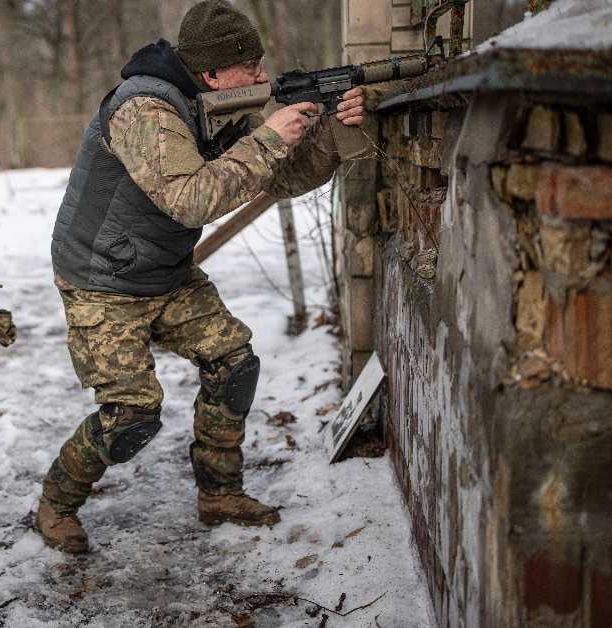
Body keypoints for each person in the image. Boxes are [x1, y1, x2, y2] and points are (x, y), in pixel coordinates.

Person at [38, 0, 368, 554]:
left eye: (261, 62)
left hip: (164, 270)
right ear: (212, 73)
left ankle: (220, 495)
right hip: (103, 281)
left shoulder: (214, 104)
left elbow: (278, 178)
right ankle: (55, 504)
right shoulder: (145, 109)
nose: (261, 75)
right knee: (132, 418)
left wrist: (331, 130)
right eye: (250, 65)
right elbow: (190, 200)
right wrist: (269, 137)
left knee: (233, 362)